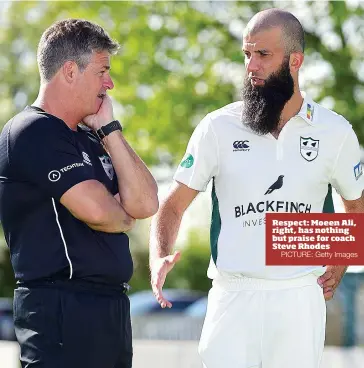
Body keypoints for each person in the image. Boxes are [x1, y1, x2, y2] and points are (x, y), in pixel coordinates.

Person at [149, 8, 364, 368]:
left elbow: (356, 206)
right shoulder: (217, 127)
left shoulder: (335, 131)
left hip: (300, 295)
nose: (252, 65)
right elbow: (172, 206)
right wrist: (159, 255)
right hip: (232, 293)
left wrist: (340, 261)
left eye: (264, 55)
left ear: (295, 61)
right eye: (247, 54)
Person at [0, 19, 159, 368]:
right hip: (61, 310)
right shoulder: (31, 132)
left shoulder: (93, 137)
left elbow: (146, 202)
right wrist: (120, 213)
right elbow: (100, 212)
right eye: (103, 71)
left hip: (111, 309)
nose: (110, 83)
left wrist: (110, 131)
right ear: (71, 71)